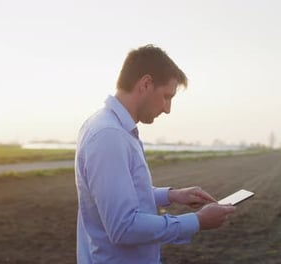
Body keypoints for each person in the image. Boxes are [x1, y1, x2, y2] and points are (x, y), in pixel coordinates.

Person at [75, 44, 236, 264]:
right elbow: (123, 227)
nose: (167, 109)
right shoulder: (109, 135)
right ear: (146, 84)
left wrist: (172, 195)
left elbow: (119, 193)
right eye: (166, 96)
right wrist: (197, 221)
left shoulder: (112, 128)